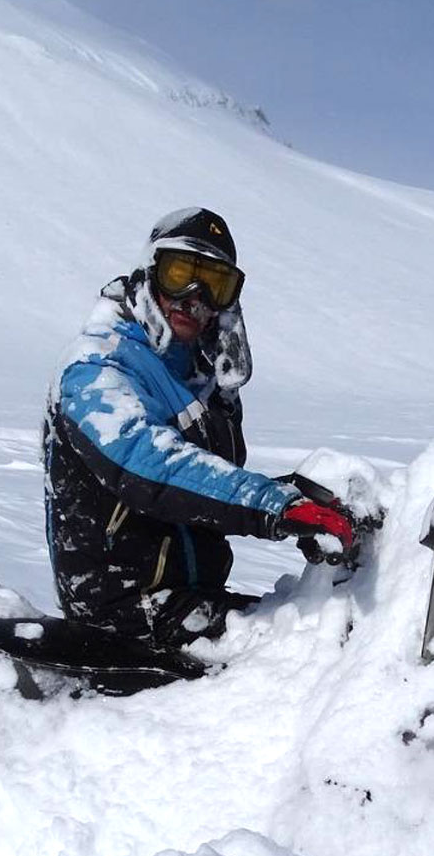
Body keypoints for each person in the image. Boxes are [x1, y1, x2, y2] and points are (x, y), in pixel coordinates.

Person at [42, 207, 356, 649]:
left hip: (191, 601)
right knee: (309, 648)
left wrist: (309, 504)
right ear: (150, 274)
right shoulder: (95, 365)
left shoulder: (200, 380)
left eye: (216, 285)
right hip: (122, 616)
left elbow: (204, 481)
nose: (195, 297)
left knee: (336, 629)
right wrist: (274, 506)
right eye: (180, 273)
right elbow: (149, 463)